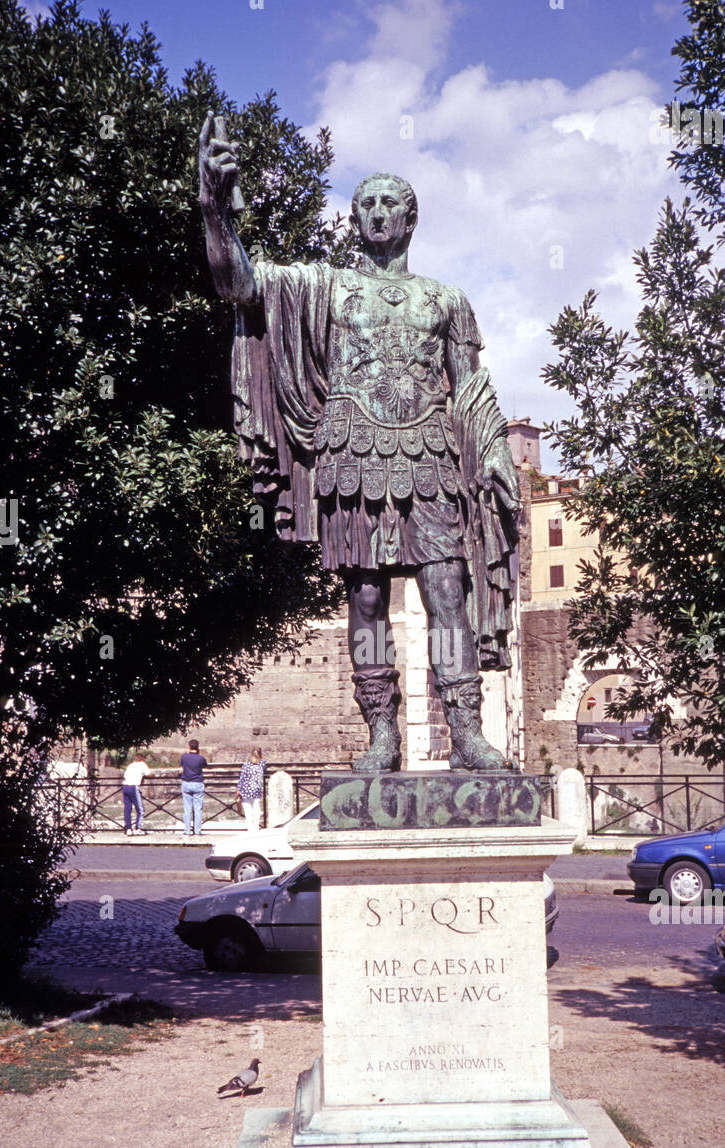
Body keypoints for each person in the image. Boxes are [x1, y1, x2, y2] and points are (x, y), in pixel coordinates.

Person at [199, 117, 521, 773]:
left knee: (446, 592)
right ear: (354, 220)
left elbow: (471, 385)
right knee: (366, 600)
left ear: (411, 220)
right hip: (353, 457)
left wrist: (490, 448)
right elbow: (242, 286)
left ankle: (466, 731)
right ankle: (382, 734)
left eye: (389, 204)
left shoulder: (447, 299)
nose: (377, 214)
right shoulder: (326, 288)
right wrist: (213, 206)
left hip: (431, 457)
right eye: (366, 204)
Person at [180, 738, 208, 839]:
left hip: (186, 783)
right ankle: (197, 831)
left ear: (189, 747)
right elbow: (205, 766)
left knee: (187, 809)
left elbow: (182, 765)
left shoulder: (184, 757)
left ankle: (187, 831)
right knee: (198, 809)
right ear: (198, 747)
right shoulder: (201, 758)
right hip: (198, 783)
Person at [237, 746, 266, 832]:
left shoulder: (246, 764)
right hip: (257, 789)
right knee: (256, 809)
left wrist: (239, 788)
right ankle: (256, 826)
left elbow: (242, 777)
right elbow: (265, 771)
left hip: (246, 789)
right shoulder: (262, 763)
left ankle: (250, 827)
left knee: (247, 810)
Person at [121, 752, 151, 836]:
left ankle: (128, 828)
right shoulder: (142, 764)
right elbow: (149, 774)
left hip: (125, 787)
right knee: (140, 809)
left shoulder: (130, 765)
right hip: (133, 787)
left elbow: (125, 775)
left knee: (127, 808)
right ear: (142, 759)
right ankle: (138, 828)